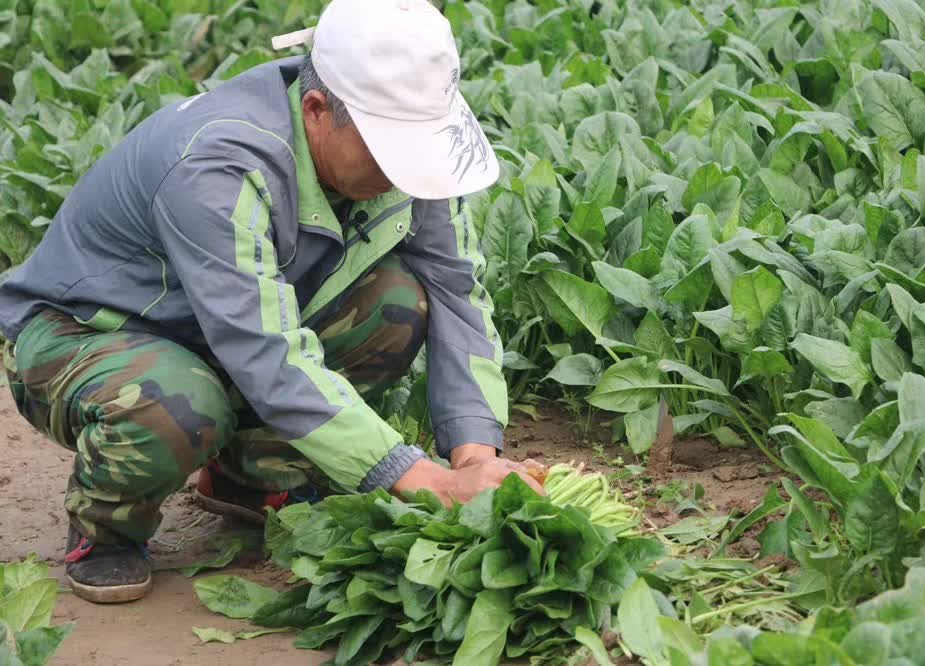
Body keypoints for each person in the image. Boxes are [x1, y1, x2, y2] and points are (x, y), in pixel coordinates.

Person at [0, 0, 543, 604]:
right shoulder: (217, 164)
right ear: (317, 110)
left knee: (397, 304)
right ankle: (105, 528)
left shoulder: (408, 170)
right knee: (178, 401)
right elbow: (267, 353)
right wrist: (421, 479)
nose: (403, 174)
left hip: (228, 333)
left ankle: (250, 477)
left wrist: (474, 458)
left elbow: (457, 294)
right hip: (83, 336)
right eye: (391, 151)